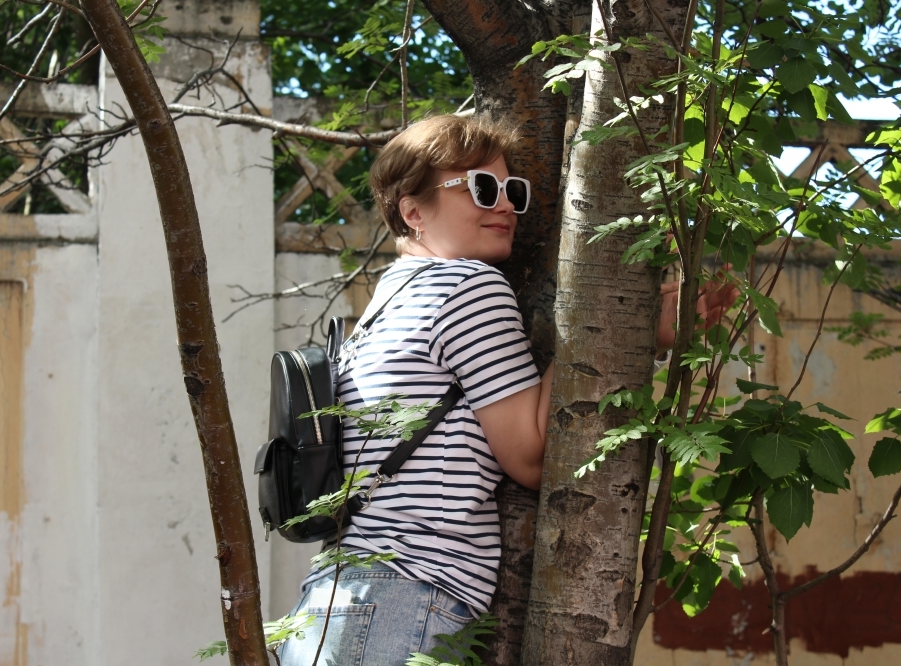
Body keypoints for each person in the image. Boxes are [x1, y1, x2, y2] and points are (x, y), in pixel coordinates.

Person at [278, 115, 735, 666]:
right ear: (413, 211)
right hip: (404, 597)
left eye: (511, 191)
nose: (506, 206)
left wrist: (642, 333)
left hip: (341, 600)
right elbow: (534, 459)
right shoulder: (466, 286)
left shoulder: (388, 298)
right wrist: (614, 329)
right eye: (480, 188)